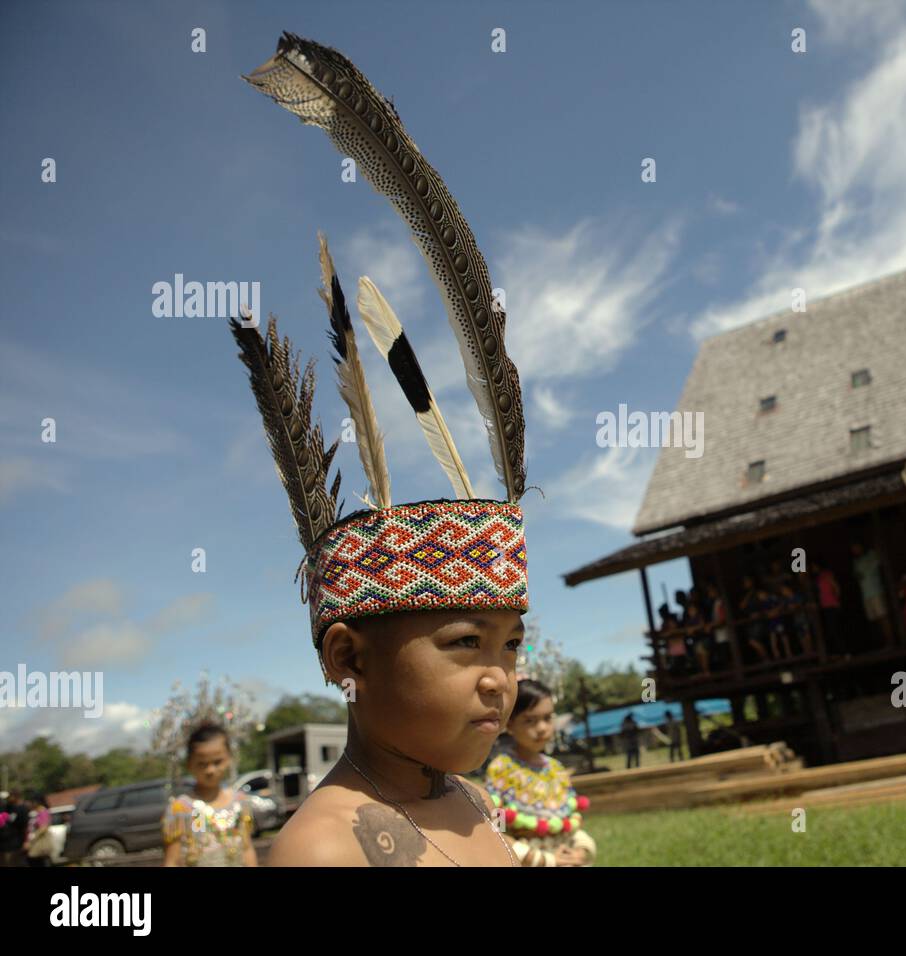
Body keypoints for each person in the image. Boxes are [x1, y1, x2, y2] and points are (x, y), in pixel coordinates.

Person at [238, 34, 536, 865]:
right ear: (347, 655)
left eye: (511, 644)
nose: (499, 679)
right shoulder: (324, 851)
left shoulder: (472, 801)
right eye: (463, 642)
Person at [485, 680, 595, 867]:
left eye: (548, 718)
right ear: (509, 724)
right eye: (530, 720)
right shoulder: (501, 771)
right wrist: (545, 860)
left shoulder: (557, 770)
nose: (542, 728)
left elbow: (570, 824)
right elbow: (498, 831)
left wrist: (581, 851)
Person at [162, 723, 258, 867]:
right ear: (189, 764)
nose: (210, 770)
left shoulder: (239, 802)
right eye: (202, 764)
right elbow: (173, 860)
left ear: (230, 759)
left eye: (217, 762)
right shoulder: (183, 808)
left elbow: (247, 848)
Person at [850, 542, 892, 645]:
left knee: (883, 616)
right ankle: (884, 642)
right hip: (866, 594)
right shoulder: (856, 561)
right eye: (853, 549)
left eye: (856, 547)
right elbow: (856, 575)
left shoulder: (871, 555)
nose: (855, 550)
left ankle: (891, 641)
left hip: (876, 590)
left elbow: (880, 562)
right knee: (875, 619)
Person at [23, 794, 54, 867]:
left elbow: (43, 828)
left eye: (31, 801)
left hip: (40, 845)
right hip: (36, 844)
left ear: (36, 802)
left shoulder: (43, 811)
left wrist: (31, 840)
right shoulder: (37, 812)